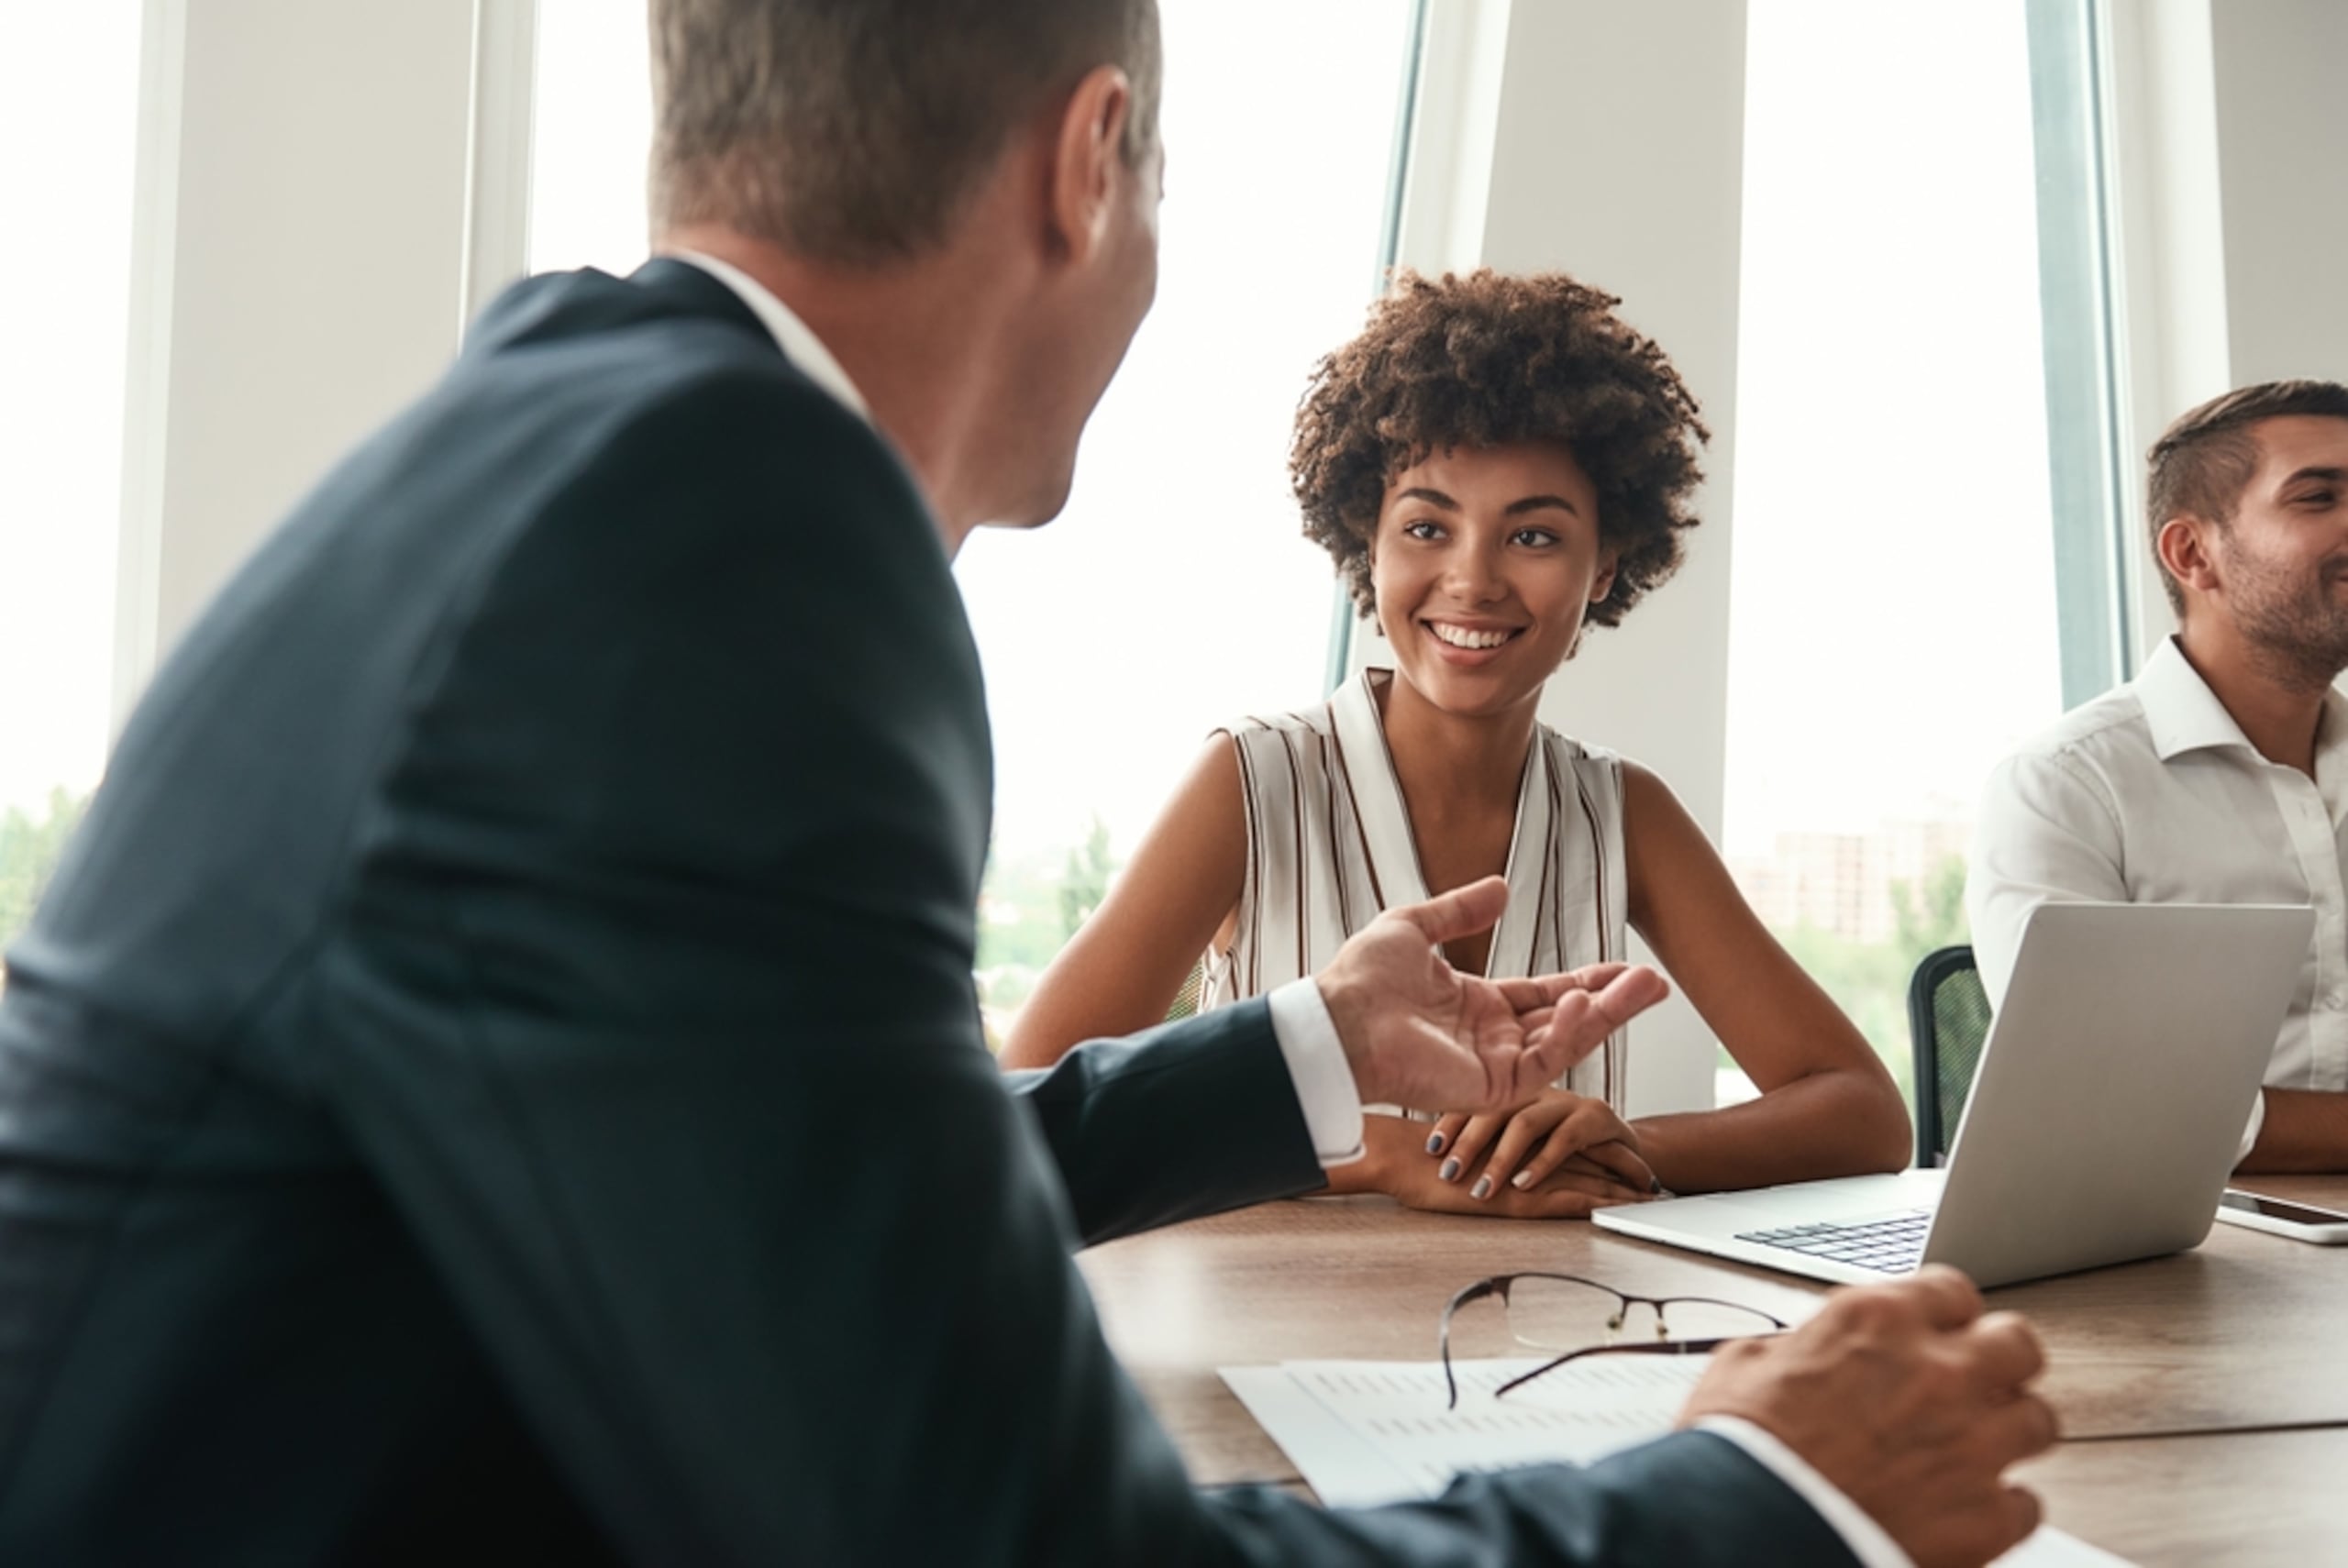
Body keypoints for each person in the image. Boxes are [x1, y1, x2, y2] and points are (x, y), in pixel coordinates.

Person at [0, 2, 2052, 1563]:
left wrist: (1300, 1054)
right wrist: (1769, 1489)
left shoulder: (581, 443)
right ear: (1091, 159)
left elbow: (790, 1173)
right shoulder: (727, 548)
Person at [1002, 271, 1911, 1211]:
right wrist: (1380, 1156)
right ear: (1370, 539)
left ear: (1605, 565)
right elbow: (1021, 1111)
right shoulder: (1252, 780)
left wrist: (1627, 1143)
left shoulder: (1622, 814)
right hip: (1275, 1329)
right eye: (1428, 526)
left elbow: (1865, 1116)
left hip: (1548, 1336)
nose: (1471, 581)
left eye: (1533, 537)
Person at [1970, 378, 2348, 1175]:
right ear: (2192, 554)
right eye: (2319, 497)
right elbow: (2104, 1100)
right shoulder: (2065, 788)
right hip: (2190, 1257)